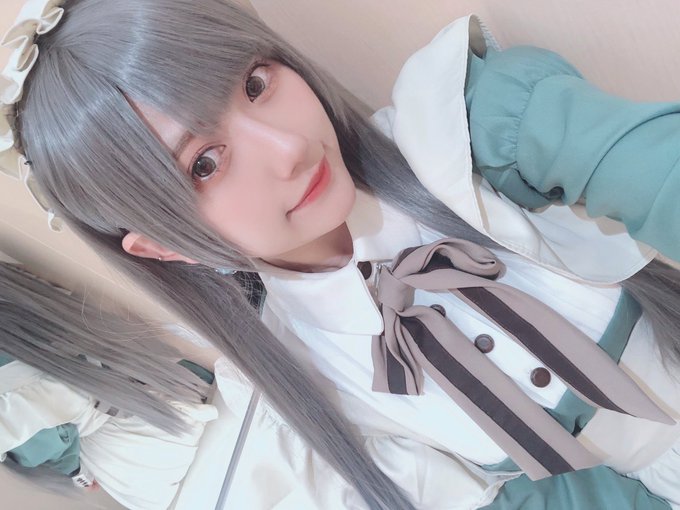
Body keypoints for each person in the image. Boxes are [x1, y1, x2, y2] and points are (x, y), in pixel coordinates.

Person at [3, 0, 680, 508]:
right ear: (162, 245)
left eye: (256, 84)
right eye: (204, 162)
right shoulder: (308, 379)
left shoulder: (469, 129)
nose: (289, 147)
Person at [0, 261, 218, 509]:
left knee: (146, 497)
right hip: (85, 344)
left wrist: (76, 472)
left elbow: (54, 436)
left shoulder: (17, 424)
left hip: (120, 388)